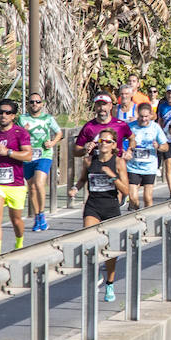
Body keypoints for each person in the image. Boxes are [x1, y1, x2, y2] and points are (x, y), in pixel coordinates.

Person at [68, 128, 131, 303]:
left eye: (108, 141)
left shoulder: (118, 163)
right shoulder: (89, 160)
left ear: (113, 145)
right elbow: (82, 179)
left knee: (111, 250)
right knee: (89, 240)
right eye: (101, 141)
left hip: (111, 207)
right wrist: (75, 188)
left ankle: (110, 283)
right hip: (93, 206)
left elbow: (126, 191)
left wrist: (112, 177)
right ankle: (94, 274)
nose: (103, 144)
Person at [0, 99, 33, 256]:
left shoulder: (20, 133)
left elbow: (28, 156)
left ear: (13, 116)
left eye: (7, 112)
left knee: (16, 219)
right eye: (0, 112)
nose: (3, 115)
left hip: (16, 183)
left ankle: (19, 243)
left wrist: (9, 152)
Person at [19, 92, 63, 231]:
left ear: (42, 104)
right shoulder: (22, 118)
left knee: (39, 183)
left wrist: (52, 142)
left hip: (44, 154)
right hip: (28, 156)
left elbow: (59, 133)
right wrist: (23, 132)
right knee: (31, 187)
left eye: (37, 102)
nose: (35, 104)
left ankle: (43, 214)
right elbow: (16, 135)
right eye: (32, 102)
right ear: (28, 104)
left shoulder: (48, 118)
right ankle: (37, 216)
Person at [126, 103, 169, 209]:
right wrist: (125, 151)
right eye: (141, 116)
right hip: (133, 167)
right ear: (137, 115)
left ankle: (148, 221)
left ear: (150, 115)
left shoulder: (155, 128)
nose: (144, 119)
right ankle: (136, 217)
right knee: (133, 197)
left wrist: (158, 146)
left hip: (149, 167)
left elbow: (166, 147)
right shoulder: (131, 127)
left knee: (147, 198)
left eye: (146, 116)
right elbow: (120, 142)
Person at [74, 93, 134, 158]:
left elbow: (132, 138)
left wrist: (129, 151)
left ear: (110, 106)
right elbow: (76, 151)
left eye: (104, 104)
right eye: (99, 105)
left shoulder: (121, 125)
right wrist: (85, 149)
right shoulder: (89, 127)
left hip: (116, 165)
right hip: (96, 165)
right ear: (95, 107)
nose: (102, 108)